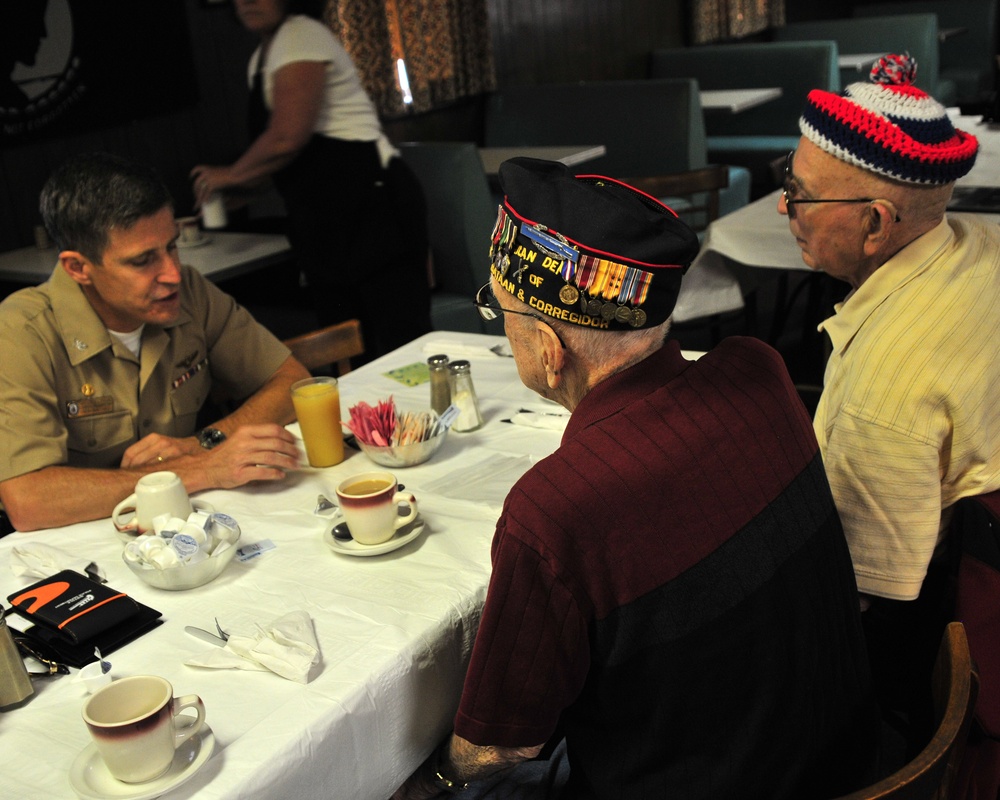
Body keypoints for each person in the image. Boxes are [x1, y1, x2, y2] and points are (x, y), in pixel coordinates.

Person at [392, 158, 878, 800]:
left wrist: (433, 778)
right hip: (849, 759)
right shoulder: (757, 369)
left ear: (549, 348)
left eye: (498, 309)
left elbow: (500, 745)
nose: (501, 328)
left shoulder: (555, 507)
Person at [778, 54, 1000, 742]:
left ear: (876, 224)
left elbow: (862, 599)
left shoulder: (881, 395)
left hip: (938, 633)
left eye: (800, 194)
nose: (785, 207)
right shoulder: (981, 241)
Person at [0, 151, 310, 533]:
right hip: (75, 542)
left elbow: (294, 382)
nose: (173, 273)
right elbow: (28, 500)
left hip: (183, 530)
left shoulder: (190, 291)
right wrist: (200, 468)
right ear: (78, 268)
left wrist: (202, 443)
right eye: (142, 260)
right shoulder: (19, 332)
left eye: (172, 246)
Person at [190, 0, 430, 362]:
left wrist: (229, 174)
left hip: (372, 208)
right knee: (348, 346)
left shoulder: (301, 34)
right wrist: (241, 190)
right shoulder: (261, 59)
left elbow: (287, 137)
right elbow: (286, 160)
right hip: (326, 221)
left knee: (402, 346)